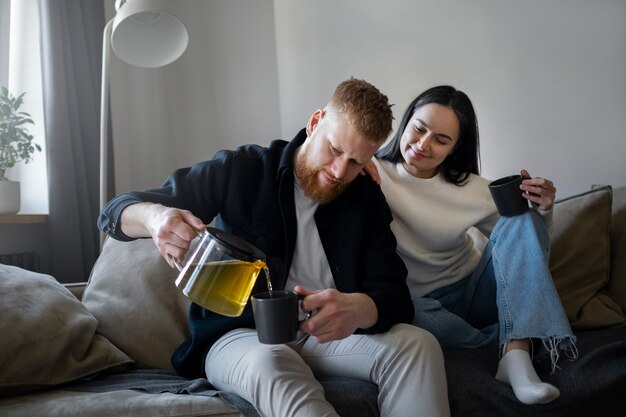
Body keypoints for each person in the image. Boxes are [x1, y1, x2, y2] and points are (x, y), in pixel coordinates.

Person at [98, 78, 450, 417]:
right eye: (335, 150)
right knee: (273, 362)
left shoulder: (365, 195)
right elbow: (114, 212)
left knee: (418, 345)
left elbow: (395, 295)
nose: (340, 171)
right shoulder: (244, 170)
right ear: (315, 123)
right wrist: (155, 217)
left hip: (322, 337)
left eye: (357, 161)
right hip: (237, 338)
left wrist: (363, 308)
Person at [366, 85, 577, 405]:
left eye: (441, 140)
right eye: (419, 129)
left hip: (474, 292)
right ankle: (510, 336)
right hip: (418, 303)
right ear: (406, 121)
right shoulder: (370, 171)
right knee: (398, 309)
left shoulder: (476, 189)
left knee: (520, 217)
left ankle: (516, 354)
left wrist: (542, 209)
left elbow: (523, 242)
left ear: (455, 147)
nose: (423, 144)